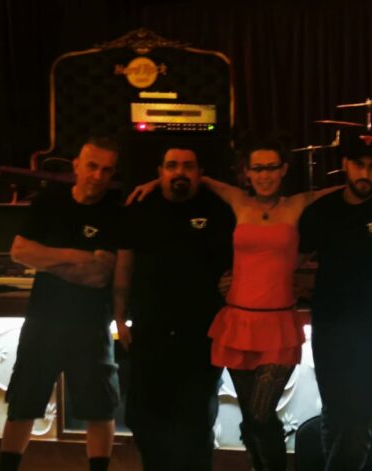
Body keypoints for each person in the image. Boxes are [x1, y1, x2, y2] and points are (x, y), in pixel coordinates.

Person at [126, 137, 372, 471]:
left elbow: (346, 188)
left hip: (277, 324)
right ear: (247, 173)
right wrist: (153, 182)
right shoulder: (238, 201)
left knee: (261, 416)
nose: (264, 175)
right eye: (258, 168)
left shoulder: (298, 204)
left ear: (283, 170)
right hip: (239, 322)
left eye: (271, 167)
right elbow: (200, 179)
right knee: (251, 417)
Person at [0, 136, 122, 471]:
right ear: (77, 166)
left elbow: (99, 276)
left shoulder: (115, 212)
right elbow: (20, 251)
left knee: (99, 409)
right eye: (92, 166)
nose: (98, 176)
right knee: (23, 404)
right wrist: (77, 256)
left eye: (106, 170)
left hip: (92, 325)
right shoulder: (49, 202)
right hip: (43, 321)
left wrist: (48, 260)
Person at [114, 145, 235, 471]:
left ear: (200, 173)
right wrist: (120, 317)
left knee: (195, 423)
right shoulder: (139, 207)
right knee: (143, 418)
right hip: (149, 331)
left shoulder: (219, 209)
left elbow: (244, 254)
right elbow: (124, 266)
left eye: (188, 166)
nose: (179, 172)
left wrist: (236, 278)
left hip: (202, 335)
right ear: (160, 172)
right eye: (172, 166)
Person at [298, 133, 372, 470]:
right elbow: (294, 259)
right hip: (330, 328)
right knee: (335, 416)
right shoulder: (323, 211)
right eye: (358, 165)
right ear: (345, 164)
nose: (365, 174)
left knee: (359, 423)